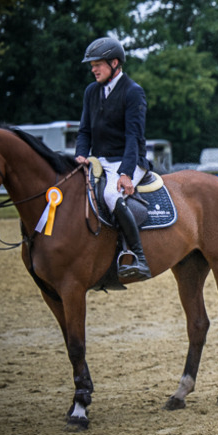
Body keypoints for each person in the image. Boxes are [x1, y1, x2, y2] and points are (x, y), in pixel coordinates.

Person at [74, 37, 152, 280]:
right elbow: (84, 130)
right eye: (91, 65)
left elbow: (133, 137)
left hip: (129, 160)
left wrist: (126, 173)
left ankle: (138, 257)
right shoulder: (91, 91)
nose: (93, 69)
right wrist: (80, 155)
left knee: (110, 194)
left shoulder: (133, 92)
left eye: (98, 64)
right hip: (99, 160)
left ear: (114, 63)